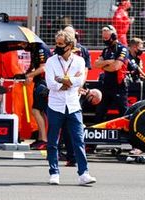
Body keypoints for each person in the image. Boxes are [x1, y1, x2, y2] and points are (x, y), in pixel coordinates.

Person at [45, 30, 96, 185]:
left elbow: (80, 81)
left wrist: (63, 80)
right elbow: (50, 84)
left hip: (73, 105)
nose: (57, 47)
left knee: (79, 140)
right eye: (57, 43)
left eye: (61, 44)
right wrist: (67, 82)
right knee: (53, 141)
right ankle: (54, 173)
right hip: (55, 106)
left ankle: (83, 174)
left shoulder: (80, 61)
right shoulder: (51, 61)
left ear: (70, 45)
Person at [60, 25, 92, 166]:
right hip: (62, 92)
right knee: (64, 125)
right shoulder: (59, 50)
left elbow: (84, 72)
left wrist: (79, 86)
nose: (66, 36)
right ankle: (69, 155)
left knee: (75, 125)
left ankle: (76, 155)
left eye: (69, 34)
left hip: (77, 92)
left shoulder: (82, 51)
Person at [94, 25, 129, 123]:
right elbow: (96, 64)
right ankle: (97, 134)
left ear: (113, 36)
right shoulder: (106, 50)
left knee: (124, 113)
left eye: (107, 38)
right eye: (104, 38)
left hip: (119, 85)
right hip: (106, 85)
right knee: (99, 112)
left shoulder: (122, 49)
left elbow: (116, 67)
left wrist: (103, 65)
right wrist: (107, 62)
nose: (105, 40)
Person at [25, 42, 52, 150]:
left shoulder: (41, 49)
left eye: (23, 44)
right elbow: (33, 66)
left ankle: (44, 140)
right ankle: (41, 138)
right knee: (39, 111)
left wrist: (29, 75)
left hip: (44, 83)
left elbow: (43, 68)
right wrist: (25, 75)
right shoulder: (34, 49)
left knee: (37, 110)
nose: (23, 46)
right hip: (39, 82)